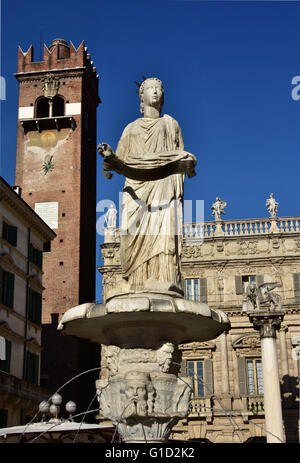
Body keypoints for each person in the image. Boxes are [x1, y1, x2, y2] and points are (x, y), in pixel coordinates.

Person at [98, 77, 196, 294]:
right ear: (141, 97)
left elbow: (179, 156)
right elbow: (119, 163)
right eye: (150, 88)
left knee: (162, 234)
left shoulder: (171, 124)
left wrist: (185, 163)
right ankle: (135, 278)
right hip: (136, 190)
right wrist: (111, 157)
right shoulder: (131, 129)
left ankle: (163, 277)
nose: (155, 92)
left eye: (159, 89)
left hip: (163, 185)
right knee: (133, 236)